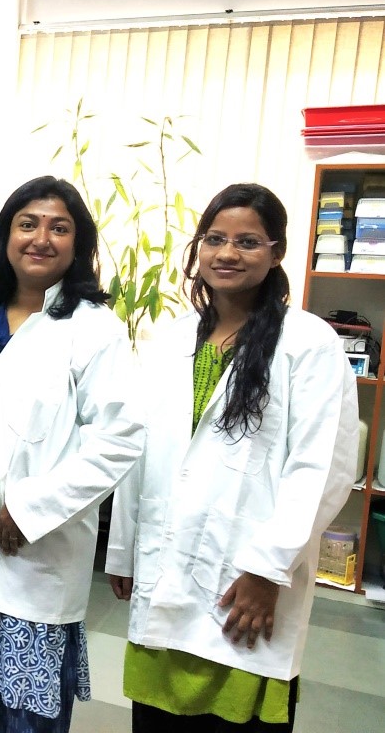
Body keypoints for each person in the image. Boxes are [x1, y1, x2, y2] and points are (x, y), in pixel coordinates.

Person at [106, 183, 358, 732]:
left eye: (247, 242)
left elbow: (322, 468)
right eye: (214, 239)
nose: (227, 254)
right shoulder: (171, 340)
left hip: (249, 579)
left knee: (238, 713)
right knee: (158, 716)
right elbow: (136, 453)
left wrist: (269, 570)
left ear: (276, 253)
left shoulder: (308, 343)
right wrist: (123, 551)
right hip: (166, 565)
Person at [0, 175, 146, 733]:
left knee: (26, 718)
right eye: (28, 223)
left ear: (77, 245)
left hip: (34, 550)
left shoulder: (94, 329)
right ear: (6, 235)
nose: (41, 237)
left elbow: (119, 438)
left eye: (59, 227)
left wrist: (30, 509)